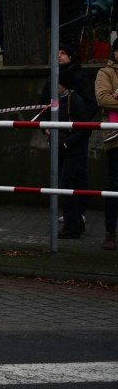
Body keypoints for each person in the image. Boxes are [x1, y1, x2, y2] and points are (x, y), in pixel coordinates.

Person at [55, 69, 91, 239]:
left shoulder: (75, 101)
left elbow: (85, 129)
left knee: (66, 186)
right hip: (63, 149)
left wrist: (65, 142)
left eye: (58, 83)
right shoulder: (59, 101)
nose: (55, 86)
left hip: (72, 151)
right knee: (66, 186)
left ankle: (72, 226)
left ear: (66, 85)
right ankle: (76, 224)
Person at [93, 39, 118, 250]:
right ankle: (110, 232)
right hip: (115, 138)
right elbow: (103, 99)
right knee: (114, 186)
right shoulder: (106, 73)